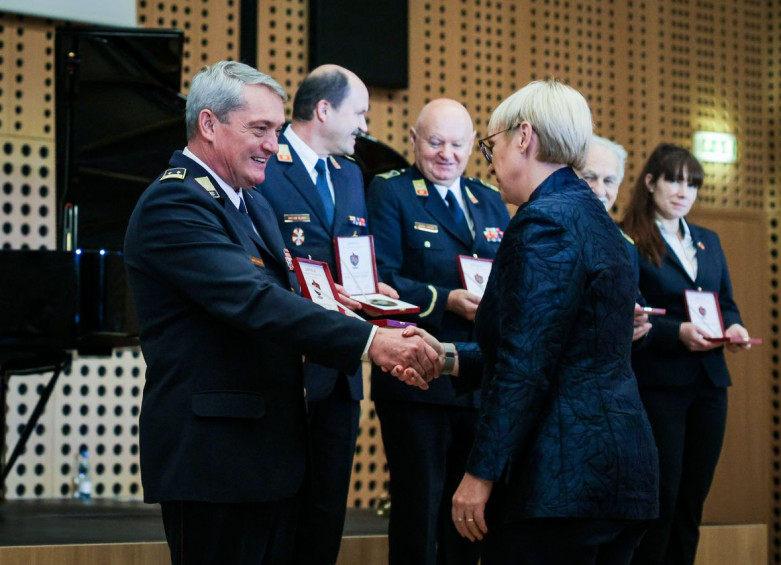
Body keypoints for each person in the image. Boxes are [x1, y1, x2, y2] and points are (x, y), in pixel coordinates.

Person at [123, 60, 439, 565]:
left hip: (268, 457)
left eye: (276, 129)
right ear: (209, 125)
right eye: (260, 129)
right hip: (218, 463)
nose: (275, 143)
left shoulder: (252, 204)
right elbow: (255, 300)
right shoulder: (176, 202)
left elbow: (295, 293)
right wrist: (370, 343)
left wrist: (376, 317)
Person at [400, 79, 659, 565]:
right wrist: (450, 357)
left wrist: (481, 475)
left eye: (488, 145)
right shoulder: (597, 219)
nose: (488, 160)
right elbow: (558, 348)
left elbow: (526, 364)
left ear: (523, 138)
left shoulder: (544, 222)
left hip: (561, 480)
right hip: (620, 477)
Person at [257, 64, 395, 565]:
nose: (364, 124)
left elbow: (353, 255)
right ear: (323, 110)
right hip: (284, 367)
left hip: (339, 370)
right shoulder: (266, 164)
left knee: (325, 512)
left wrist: (371, 290)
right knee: (278, 512)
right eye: (359, 112)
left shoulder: (352, 173)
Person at [366, 98, 511, 565]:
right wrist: (444, 298)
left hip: (477, 377)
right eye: (435, 142)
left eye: (457, 144)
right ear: (413, 140)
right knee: (419, 510)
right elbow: (381, 277)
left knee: (470, 517)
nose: (446, 154)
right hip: (416, 375)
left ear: (472, 146)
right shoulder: (391, 192)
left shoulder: (488, 200)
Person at [620, 143, 752, 565]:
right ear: (650, 181)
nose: (683, 191)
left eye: (692, 184)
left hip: (710, 382)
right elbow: (627, 313)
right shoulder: (630, 238)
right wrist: (676, 331)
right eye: (674, 180)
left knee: (693, 500)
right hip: (660, 382)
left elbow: (725, 302)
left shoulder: (708, 241)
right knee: (663, 497)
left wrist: (733, 326)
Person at [578, 135, 651, 342]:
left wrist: (639, 325)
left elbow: (635, 303)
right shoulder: (549, 233)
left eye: (609, 181)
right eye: (589, 177)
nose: (599, 190)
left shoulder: (626, 246)